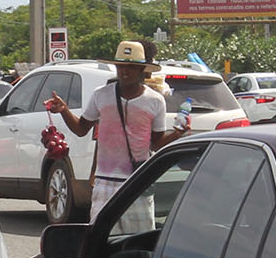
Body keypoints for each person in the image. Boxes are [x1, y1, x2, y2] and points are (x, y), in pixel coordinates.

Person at [46, 39, 179, 221]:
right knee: (101, 238)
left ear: (142, 70)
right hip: (105, 181)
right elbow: (81, 129)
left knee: (135, 240)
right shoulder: (101, 95)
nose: (124, 71)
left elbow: (156, 144)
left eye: (131, 67)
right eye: (120, 66)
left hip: (137, 181)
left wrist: (178, 134)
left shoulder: (155, 101)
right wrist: (64, 111)